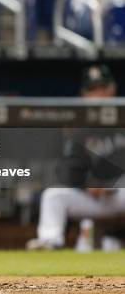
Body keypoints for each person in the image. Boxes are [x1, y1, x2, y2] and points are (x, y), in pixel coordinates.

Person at [26, 65, 125, 251]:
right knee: (53, 195)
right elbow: (69, 171)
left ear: (112, 89)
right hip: (95, 197)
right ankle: (49, 241)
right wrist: (87, 184)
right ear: (84, 95)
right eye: (92, 89)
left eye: (102, 88)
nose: (98, 95)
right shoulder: (78, 128)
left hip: (121, 192)